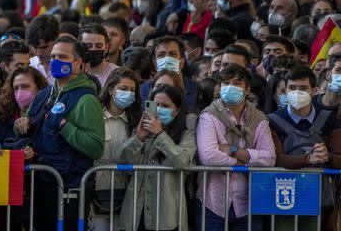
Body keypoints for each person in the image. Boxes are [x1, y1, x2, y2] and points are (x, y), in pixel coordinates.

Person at [22, 36, 105, 229]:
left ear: (79, 63)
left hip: (69, 189)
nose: (55, 61)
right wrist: (21, 125)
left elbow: (96, 147)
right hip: (42, 185)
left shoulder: (86, 99)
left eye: (62, 57)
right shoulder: (44, 95)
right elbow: (29, 127)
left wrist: (65, 126)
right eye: (53, 56)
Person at [196, 64, 276, 231]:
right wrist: (245, 166)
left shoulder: (259, 119)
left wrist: (233, 150)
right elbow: (209, 157)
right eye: (226, 83)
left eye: (237, 83)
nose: (230, 87)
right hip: (213, 202)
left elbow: (269, 158)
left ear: (247, 90)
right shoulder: (208, 116)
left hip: (248, 203)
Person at [267, 65, 341, 231]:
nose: (297, 92)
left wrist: (327, 156)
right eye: (292, 88)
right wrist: (307, 159)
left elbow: (339, 157)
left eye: (303, 88)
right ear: (285, 90)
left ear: (314, 91)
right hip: (282, 194)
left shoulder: (329, 118)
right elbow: (274, 157)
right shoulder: (272, 120)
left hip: (319, 196)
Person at [118, 85, 196, 231]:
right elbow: (124, 164)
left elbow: (183, 162)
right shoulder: (142, 131)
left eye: (165, 106)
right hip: (136, 213)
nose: (160, 109)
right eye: (156, 105)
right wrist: (138, 138)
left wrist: (160, 133)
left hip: (167, 216)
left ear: (177, 110)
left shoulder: (186, 135)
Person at [91, 68, 141, 223]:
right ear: (111, 89)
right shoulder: (95, 115)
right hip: (95, 193)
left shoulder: (136, 121)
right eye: (124, 89)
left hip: (125, 194)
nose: (129, 93)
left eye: (132, 90)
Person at [0, 67, 48, 145]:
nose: (20, 92)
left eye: (25, 86)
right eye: (16, 88)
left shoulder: (48, 115)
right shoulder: (3, 118)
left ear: (39, 88)